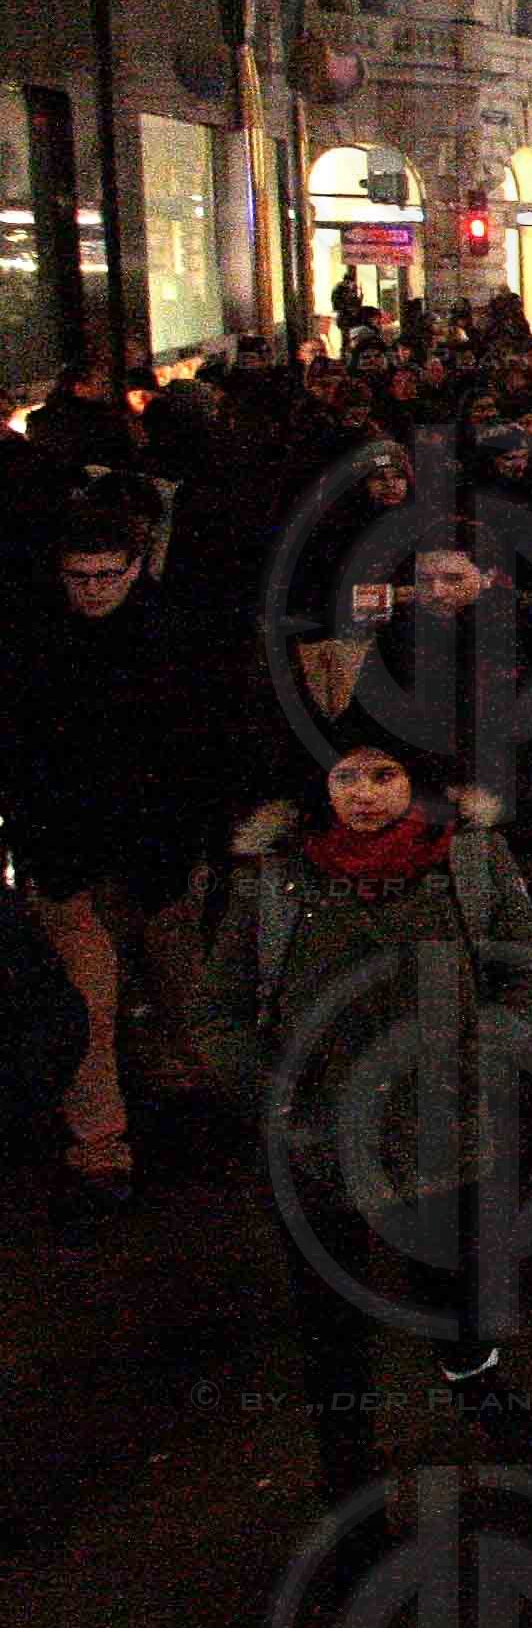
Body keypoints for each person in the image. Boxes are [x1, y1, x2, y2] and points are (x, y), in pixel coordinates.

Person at [196, 737, 532, 1500]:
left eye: (383, 775)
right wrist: (272, 1097)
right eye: (346, 776)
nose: (364, 793)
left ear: (414, 779)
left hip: (440, 1125)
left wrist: (483, 1057)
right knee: (328, 1313)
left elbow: (527, 968)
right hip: (319, 1133)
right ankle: (348, 1465)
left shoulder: (467, 860)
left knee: (450, 1284)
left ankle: (473, 1376)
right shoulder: (275, 879)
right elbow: (220, 1010)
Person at [0, 501, 239, 1223]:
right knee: (88, 1001)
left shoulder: (175, 634)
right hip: (73, 849)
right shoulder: (33, 643)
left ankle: (181, 1099)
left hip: (153, 845)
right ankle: (103, 1143)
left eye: (109, 575)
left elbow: (206, 743)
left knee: (177, 980)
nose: (96, 589)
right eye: (82, 577)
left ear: (136, 567)